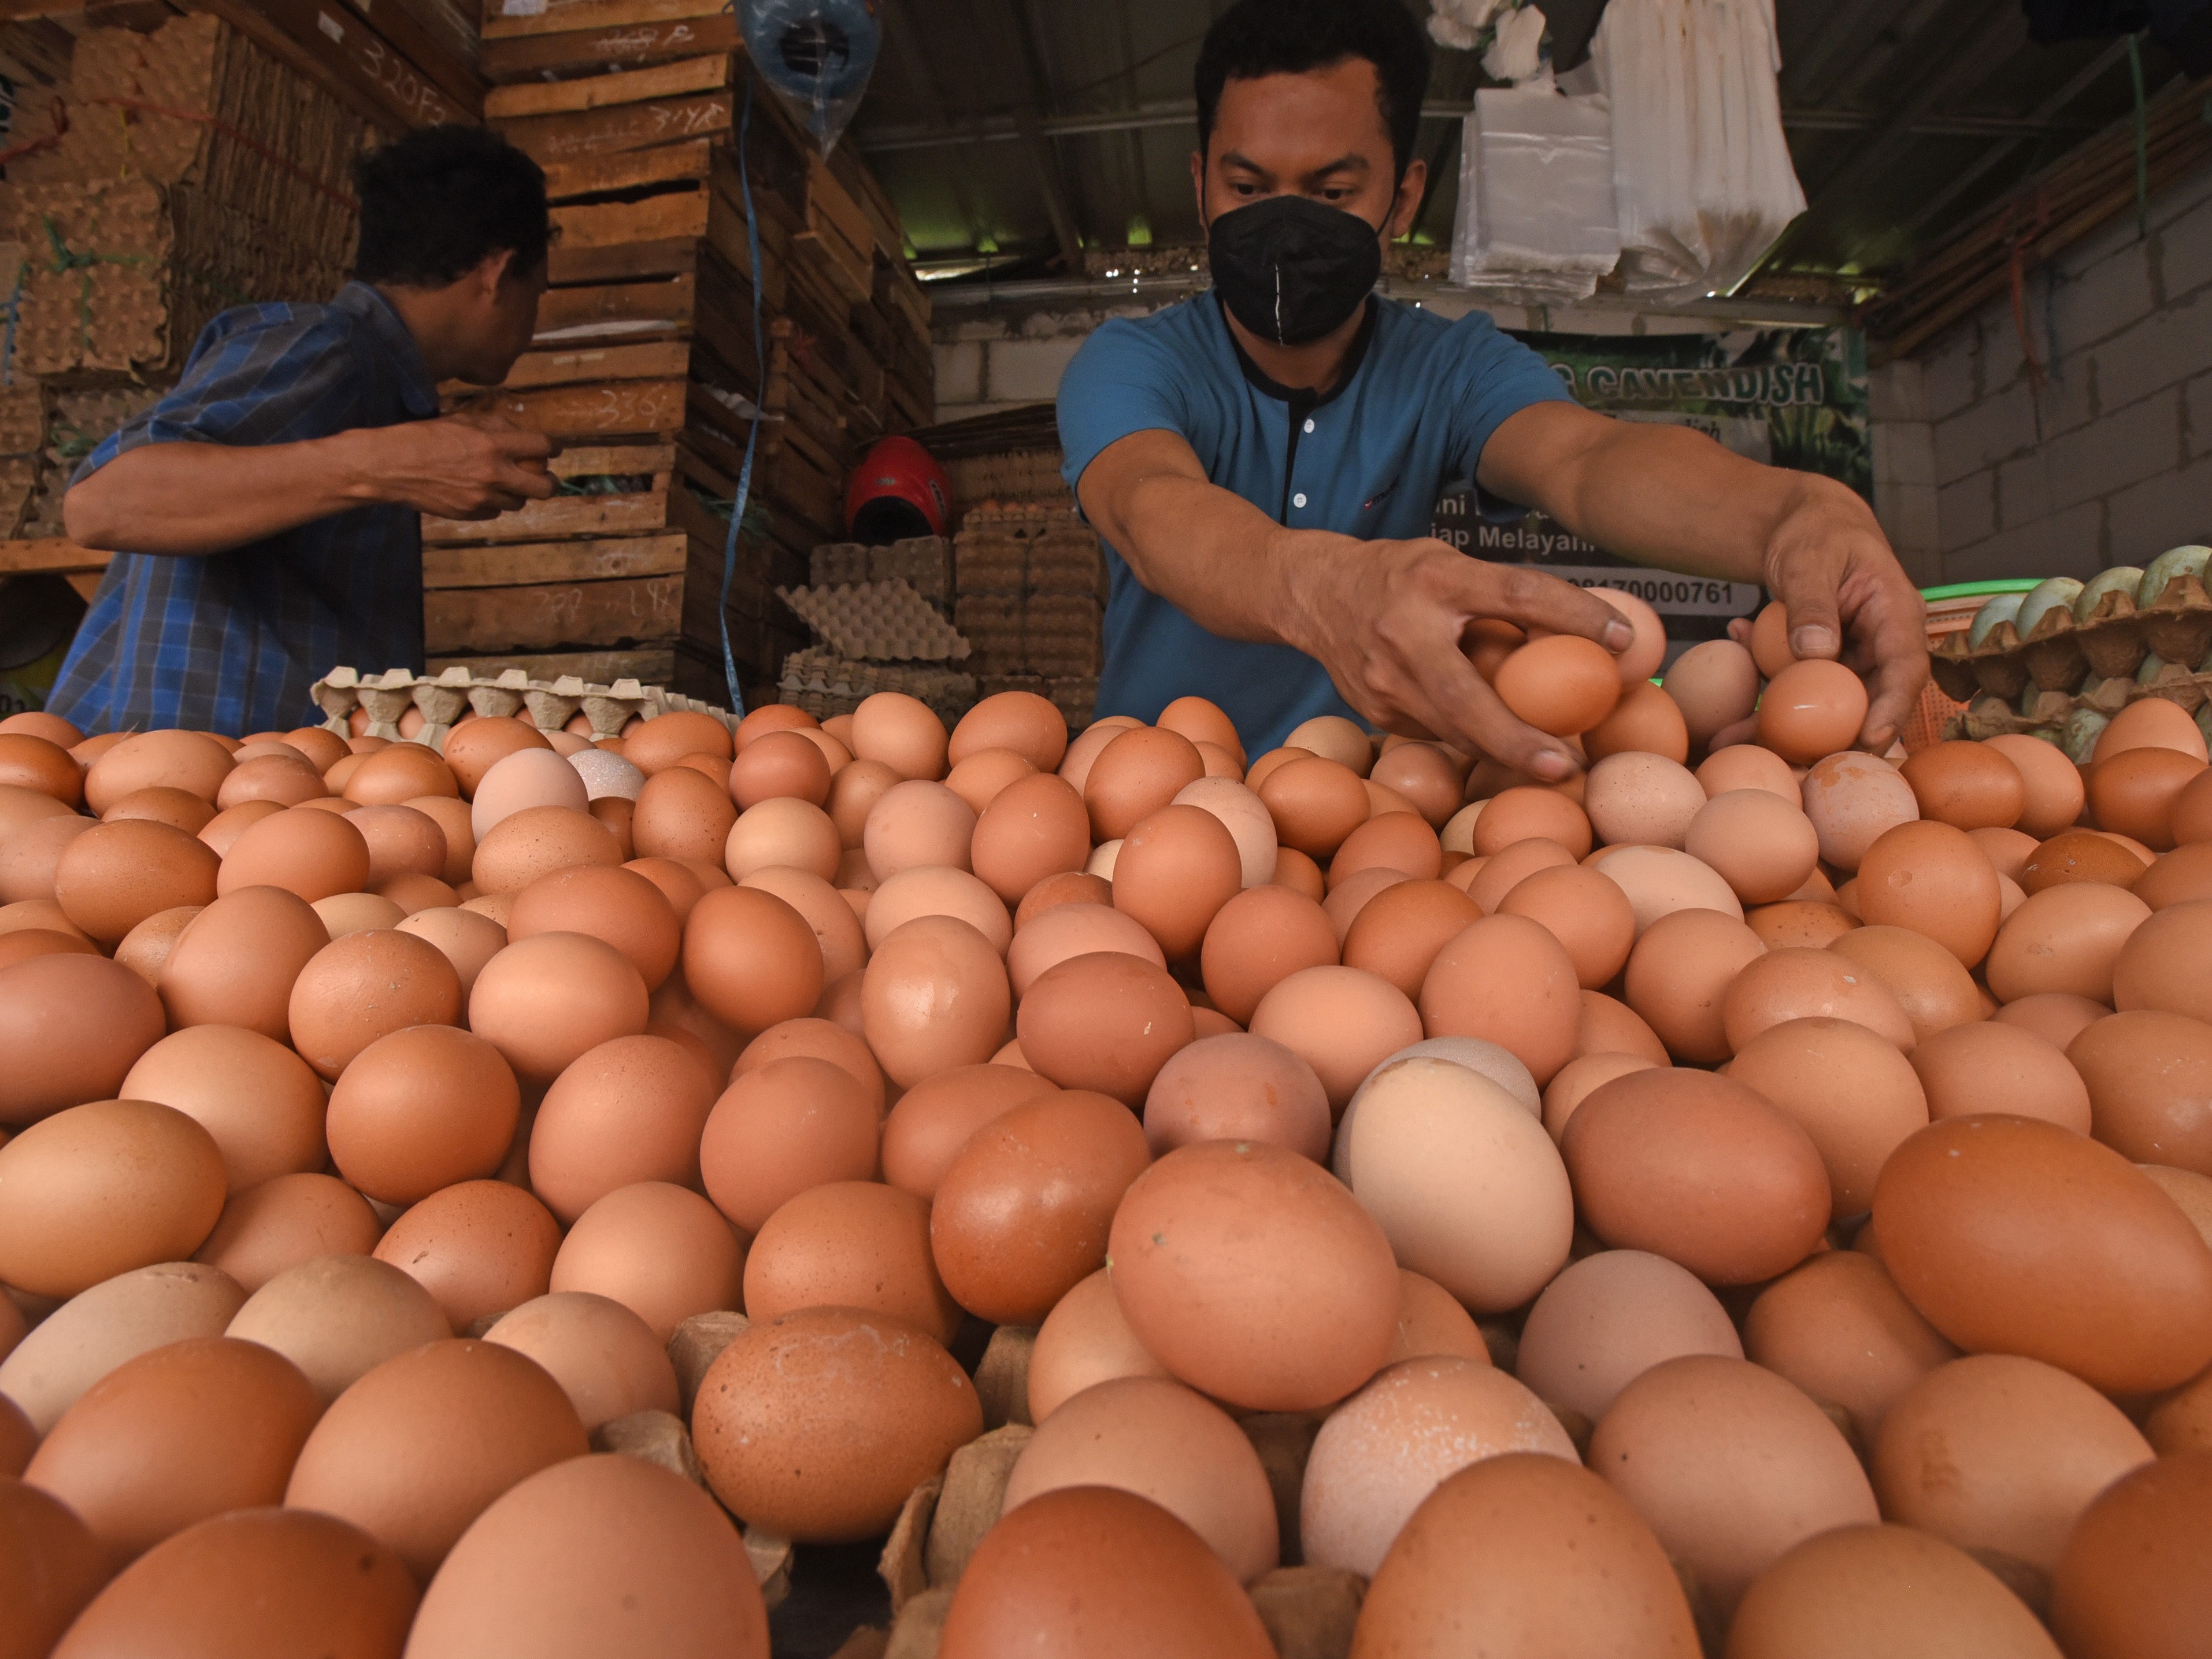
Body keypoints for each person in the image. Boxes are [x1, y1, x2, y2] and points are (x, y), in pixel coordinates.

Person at [1059, 0, 1929, 776]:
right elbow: (1149, 507)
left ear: (1402, 199)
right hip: (1147, 816)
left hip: (1378, 818)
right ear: (1200, 187)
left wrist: (1794, 515)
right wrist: (1320, 586)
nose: (1286, 223)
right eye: (1247, 186)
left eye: (1333, 190)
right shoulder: (1134, 362)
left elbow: (1588, 460)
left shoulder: (1450, 367)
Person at [50, 124, 561, 736]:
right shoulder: (326, 346)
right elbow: (100, 504)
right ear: (497, 274)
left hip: (253, 780)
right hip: (176, 774)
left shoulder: (382, 389)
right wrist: (383, 462)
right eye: (538, 291)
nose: (533, 319)